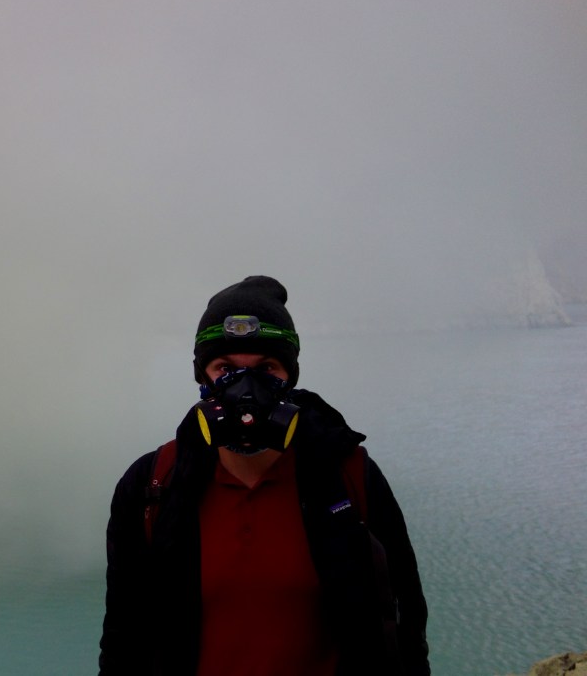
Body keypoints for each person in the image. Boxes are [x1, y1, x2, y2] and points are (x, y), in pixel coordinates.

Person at [99, 276, 429, 676]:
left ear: (290, 376)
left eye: (266, 368)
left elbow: (405, 615)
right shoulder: (151, 485)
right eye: (225, 368)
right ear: (201, 377)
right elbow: (123, 632)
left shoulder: (349, 474)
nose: (246, 388)